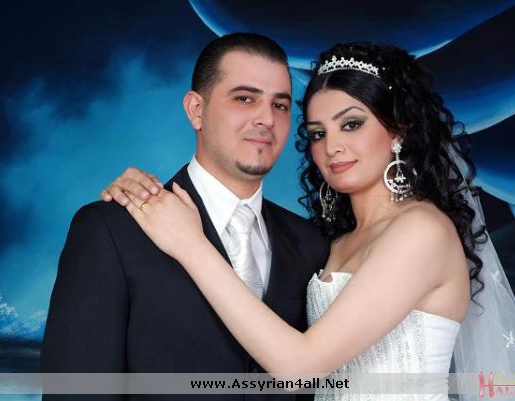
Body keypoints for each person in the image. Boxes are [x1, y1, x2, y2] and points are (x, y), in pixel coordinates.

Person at [105, 42, 515, 401]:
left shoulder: (422, 230)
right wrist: (140, 192)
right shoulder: (329, 242)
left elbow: (299, 369)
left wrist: (190, 244)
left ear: (398, 131)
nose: (331, 147)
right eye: (318, 133)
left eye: (351, 124)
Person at [41, 32, 329, 401]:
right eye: (244, 98)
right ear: (196, 110)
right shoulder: (111, 229)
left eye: (280, 105)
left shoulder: (311, 244)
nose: (266, 119)